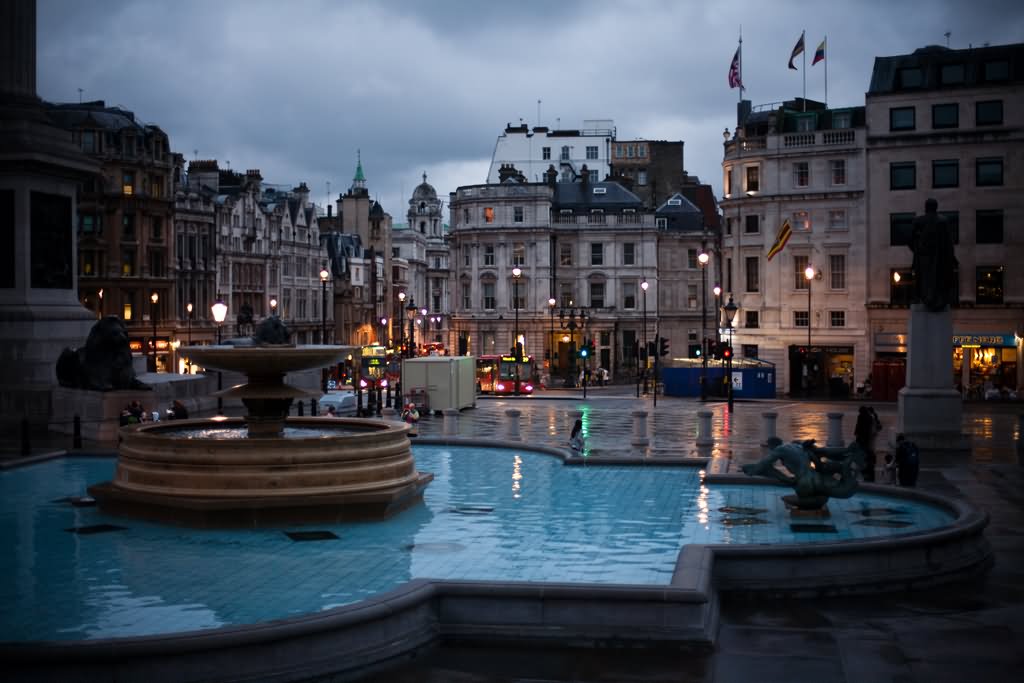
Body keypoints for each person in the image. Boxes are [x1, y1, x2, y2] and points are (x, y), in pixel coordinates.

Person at [909, 198, 958, 312]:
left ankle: (923, 297)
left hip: (925, 257)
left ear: (926, 207)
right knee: (937, 278)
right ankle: (935, 298)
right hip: (939, 257)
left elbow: (910, 239)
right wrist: (951, 257)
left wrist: (917, 250)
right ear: (936, 207)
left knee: (922, 277)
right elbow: (949, 242)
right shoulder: (943, 221)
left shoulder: (918, 221)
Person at [854, 406, 882, 482]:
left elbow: (858, 426)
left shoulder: (862, 417)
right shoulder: (870, 417)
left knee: (864, 451)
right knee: (868, 451)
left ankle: (864, 468)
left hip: (863, 438)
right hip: (867, 437)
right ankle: (868, 470)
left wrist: (856, 434)